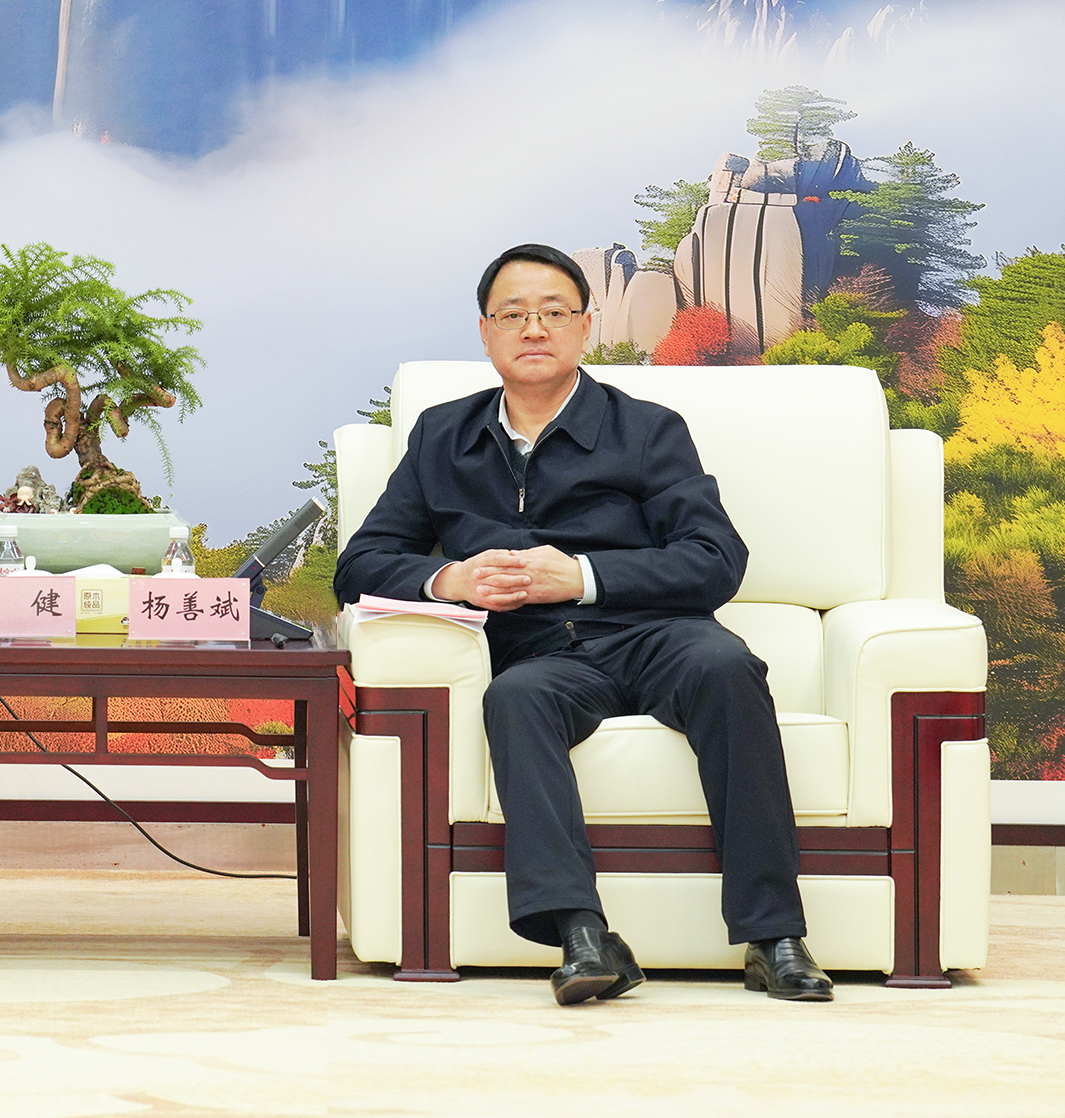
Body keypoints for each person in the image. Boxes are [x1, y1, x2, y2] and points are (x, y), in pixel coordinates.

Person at [334, 243, 832, 1005]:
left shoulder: (647, 429)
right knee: (514, 699)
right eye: (512, 314)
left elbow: (715, 559)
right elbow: (362, 564)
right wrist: (451, 580)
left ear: (586, 325)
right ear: (485, 331)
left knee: (727, 668)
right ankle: (583, 936)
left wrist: (584, 576)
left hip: (657, 634)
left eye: (553, 312)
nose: (533, 329)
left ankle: (775, 937)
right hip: (537, 652)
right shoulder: (442, 436)